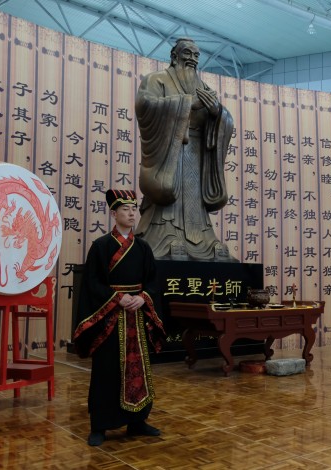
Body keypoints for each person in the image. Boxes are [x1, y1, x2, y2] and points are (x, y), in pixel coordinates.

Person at [73, 189, 166, 447]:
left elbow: (153, 281)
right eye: (125, 209)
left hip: (136, 317)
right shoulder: (101, 246)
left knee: (139, 370)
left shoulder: (143, 247)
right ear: (114, 214)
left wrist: (143, 297)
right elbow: (92, 283)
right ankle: (100, 426)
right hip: (110, 318)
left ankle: (138, 421)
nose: (132, 213)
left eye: (134, 209)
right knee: (107, 370)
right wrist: (117, 298)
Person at [134, 37, 235, 261]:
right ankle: (166, 237)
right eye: (187, 53)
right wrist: (187, 104)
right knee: (169, 199)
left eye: (196, 55)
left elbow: (223, 120)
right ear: (174, 56)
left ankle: (205, 241)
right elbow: (145, 105)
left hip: (198, 154)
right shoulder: (156, 79)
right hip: (171, 152)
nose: (192, 59)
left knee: (195, 203)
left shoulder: (203, 87)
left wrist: (217, 112)